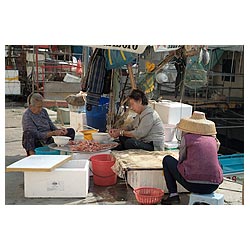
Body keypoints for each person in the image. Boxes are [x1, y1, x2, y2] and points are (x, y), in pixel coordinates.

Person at [161, 111, 223, 205]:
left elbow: (181, 160)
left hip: (193, 184)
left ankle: (173, 195)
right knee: (219, 164)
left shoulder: (187, 138)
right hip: (213, 186)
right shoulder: (213, 140)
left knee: (167, 160)